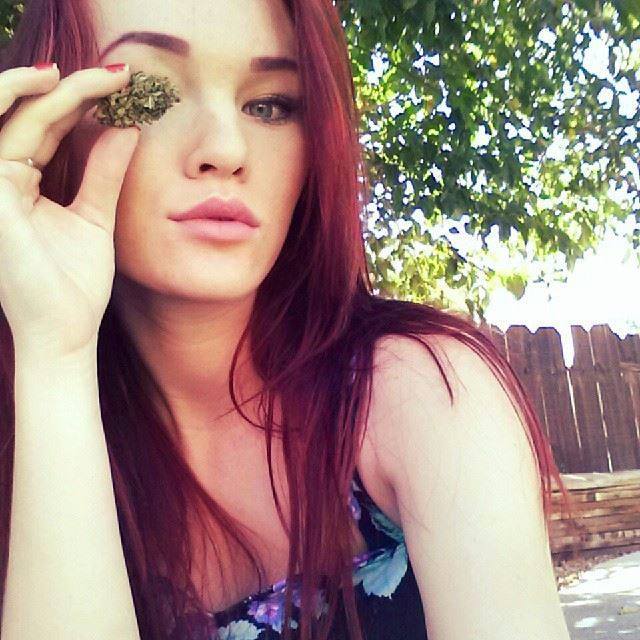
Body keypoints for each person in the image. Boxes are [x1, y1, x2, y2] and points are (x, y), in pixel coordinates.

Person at [0, 0, 574, 638]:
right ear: (46, 121)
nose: (225, 149)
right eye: (149, 93)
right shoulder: (25, 433)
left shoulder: (421, 393)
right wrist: (54, 354)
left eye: (270, 105)